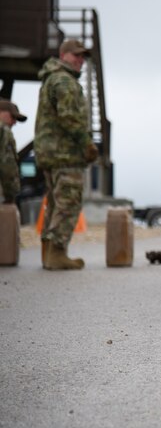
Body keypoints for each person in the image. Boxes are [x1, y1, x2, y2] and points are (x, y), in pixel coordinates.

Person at [34, 39, 99, 270]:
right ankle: (57, 252)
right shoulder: (64, 80)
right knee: (68, 202)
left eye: (82, 57)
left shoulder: (51, 78)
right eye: (76, 56)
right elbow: (70, 117)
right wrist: (86, 145)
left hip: (51, 153)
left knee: (55, 202)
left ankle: (48, 253)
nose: (80, 60)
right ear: (63, 55)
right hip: (65, 153)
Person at [0, 100, 27, 204]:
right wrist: (10, 193)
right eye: (12, 117)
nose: (14, 122)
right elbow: (6, 164)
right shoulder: (3, 129)